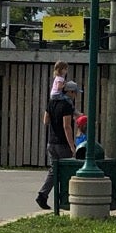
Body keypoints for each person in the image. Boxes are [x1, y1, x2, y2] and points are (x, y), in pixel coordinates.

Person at [37, 76, 79, 209]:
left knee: (54, 170)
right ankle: (65, 200)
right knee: (67, 171)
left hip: (51, 142)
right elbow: (67, 126)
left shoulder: (51, 102)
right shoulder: (66, 105)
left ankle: (42, 195)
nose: (76, 96)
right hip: (62, 143)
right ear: (70, 92)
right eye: (75, 93)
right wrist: (72, 146)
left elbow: (45, 121)